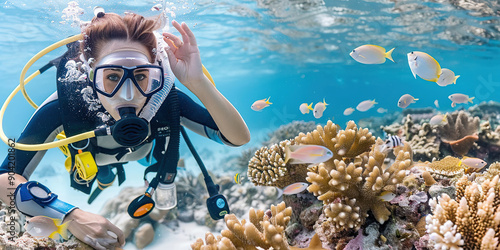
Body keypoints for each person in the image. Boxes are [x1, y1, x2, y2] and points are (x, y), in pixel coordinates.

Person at [0, 10, 250, 249]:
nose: (127, 94)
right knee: (104, 176)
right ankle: (106, 179)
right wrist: (69, 215)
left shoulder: (163, 99)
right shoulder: (65, 106)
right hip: (93, 160)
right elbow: (4, 177)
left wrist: (197, 82)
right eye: (111, 77)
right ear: (89, 74)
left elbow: (237, 139)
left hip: (144, 153)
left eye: (141, 76)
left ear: (156, 73)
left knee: (153, 161)